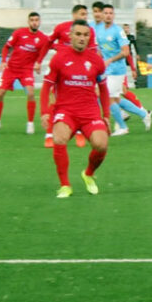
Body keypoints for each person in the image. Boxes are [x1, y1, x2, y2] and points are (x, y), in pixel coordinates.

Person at [40, 20, 111, 198]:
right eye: (78, 34)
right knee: (59, 138)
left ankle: (88, 174)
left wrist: (106, 115)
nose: (82, 38)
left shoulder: (96, 60)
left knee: (101, 145)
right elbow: (46, 87)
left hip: (90, 112)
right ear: (70, 36)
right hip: (66, 111)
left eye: (85, 35)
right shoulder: (59, 58)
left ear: (90, 38)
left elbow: (103, 89)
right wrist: (44, 113)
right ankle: (65, 185)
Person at [38, 4, 99, 148]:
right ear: (74, 15)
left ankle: (79, 133)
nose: (85, 17)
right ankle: (49, 134)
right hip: (62, 70)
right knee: (55, 100)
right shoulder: (61, 28)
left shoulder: (89, 31)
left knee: (81, 101)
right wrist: (39, 61)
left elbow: (93, 51)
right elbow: (48, 42)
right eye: (82, 14)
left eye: (86, 14)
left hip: (81, 70)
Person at [95, 4, 152, 135]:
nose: (108, 15)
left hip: (116, 70)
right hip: (106, 70)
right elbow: (100, 50)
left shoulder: (118, 31)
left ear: (113, 15)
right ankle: (143, 114)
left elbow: (125, 52)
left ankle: (122, 127)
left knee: (107, 98)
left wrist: (110, 60)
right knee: (115, 99)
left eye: (111, 13)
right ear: (103, 15)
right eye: (106, 13)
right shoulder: (100, 31)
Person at [0, 12, 49, 135]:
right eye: (32, 20)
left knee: (31, 94)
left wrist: (38, 62)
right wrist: (3, 61)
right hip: (11, 68)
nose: (34, 22)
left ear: (40, 22)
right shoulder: (19, 33)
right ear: (28, 22)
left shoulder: (42, 38)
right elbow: (6, 47)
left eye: (37, 20)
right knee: (0, 94)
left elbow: (45, 50)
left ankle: (30, 123)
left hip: (26, 70)